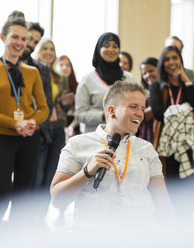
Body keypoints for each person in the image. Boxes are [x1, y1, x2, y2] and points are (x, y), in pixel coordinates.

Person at [51, 81, 173, 225]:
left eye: (142, 108)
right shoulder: (77, 144)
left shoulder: (146, 148)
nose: (140, 114)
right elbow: (57, 199)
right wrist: (87, 172)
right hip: (95, 235)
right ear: (111, 110)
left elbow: (163, 201)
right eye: (133, 107)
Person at [0, 16, 48, 221]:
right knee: (1, 196)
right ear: (2, 37)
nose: (19, 43)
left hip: (28, 138)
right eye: (14, 37)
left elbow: (43, 109)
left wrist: (33, 122)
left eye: (24, 39)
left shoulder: (32, 72)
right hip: (1, 139)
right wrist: (15, 123)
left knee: (22, 196)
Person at [149, 46, 194, 218]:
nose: (172, 62)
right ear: (163, 64)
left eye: (175, 58)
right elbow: (158, 113)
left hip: (190, 145)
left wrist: (186, 80)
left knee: (188, 192)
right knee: (168, 189)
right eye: (168, 59)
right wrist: (187, 113)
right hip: (167, 146)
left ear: (181, 61)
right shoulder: (157, 87)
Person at [32, 39, 74, 190]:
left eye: (52, 49)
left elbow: (63, 106)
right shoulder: (32, 72)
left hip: (57, 128)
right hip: (39, 129)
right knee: (37, 175)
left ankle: (42, 212)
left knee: (51, 175)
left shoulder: (60, 78)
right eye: (45, 49)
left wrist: (65, 103)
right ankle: (30, 212)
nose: (48, 52)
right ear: (38, 51)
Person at [74, 32, 134, 134]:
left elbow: (136, 106)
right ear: (99, 49)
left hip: (124, 136)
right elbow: (79, 114)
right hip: (94, 137)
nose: (111, 49)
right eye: (106, 46)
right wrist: (103, 115)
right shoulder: (88, 79)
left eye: (115, 46)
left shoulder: (128, 78)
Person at [57, 55, 79, 138]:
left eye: (67, 65)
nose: (64, 68)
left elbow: (80, 112)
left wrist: (71, 127)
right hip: (58, 126)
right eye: (61, 65)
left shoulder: (78, 86)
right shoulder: (53, 87)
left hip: (75, 125)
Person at [138, 57, 158, 143]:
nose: (148, 75)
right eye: (144, 73)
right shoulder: (142, 93)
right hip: (147, 136)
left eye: (151, 71)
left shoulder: (166, 90)